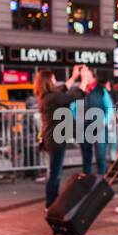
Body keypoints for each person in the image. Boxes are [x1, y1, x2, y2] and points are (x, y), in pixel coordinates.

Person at [34, 65, 88, 208]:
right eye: (53, 78)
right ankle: (50, 204)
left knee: (54, 172)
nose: (56, 80)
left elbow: (63, 88)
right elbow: (75, 96)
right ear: (48, 81)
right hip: (56, 140)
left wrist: (74, 76)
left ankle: (52, 202)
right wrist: (84, 80)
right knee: (55, 174)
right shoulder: (52, 98)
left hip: (51, 139)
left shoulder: (46, 96)